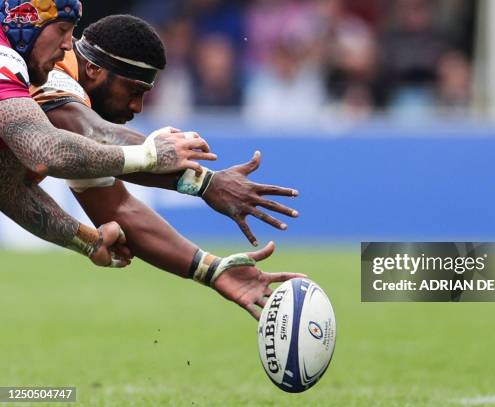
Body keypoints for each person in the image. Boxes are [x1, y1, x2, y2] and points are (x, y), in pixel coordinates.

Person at [31, 14, 303, 319]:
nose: (137, 107)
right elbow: (90, 133)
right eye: (134, 91)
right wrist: (202, 181)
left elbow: (118, 208)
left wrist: (212, 270)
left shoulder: (69, 108)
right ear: (93, 68)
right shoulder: (53, 69)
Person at [0, 0, 213, 267]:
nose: (68, 44)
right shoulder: (8, 60)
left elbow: (6, 186)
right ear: (24, 21)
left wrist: (88, 241)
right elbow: (49, 151)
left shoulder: (26, 70)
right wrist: (153, 156)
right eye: (62, 29)